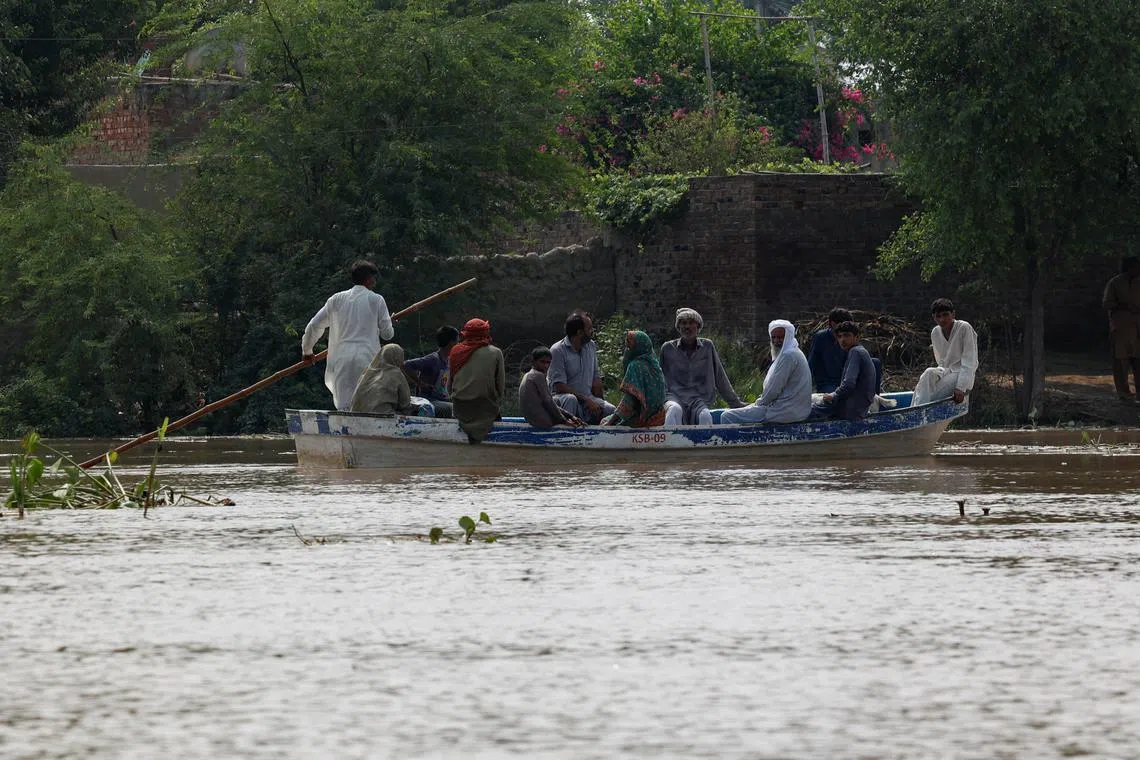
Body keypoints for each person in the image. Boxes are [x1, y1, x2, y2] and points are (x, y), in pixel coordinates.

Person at [301, 260, 395, 410]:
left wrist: (307, 351)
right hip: (367, 360)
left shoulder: (336, 300)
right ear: (368, 279)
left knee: (344, 408)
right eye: (373, 278)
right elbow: (387, 335)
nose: (374, 282)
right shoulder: (377, 300)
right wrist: (389, 321)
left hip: (341, 360)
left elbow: (314, 325)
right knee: (366, 408)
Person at [659, 307, 746, 425]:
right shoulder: (667, 348)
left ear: (698, 327)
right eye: (683, 323)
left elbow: (720, 378)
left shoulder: (707, 346)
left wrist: (736, 404)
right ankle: (670, 443)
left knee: (705, 416)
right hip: (674, 397)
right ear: (678, 327)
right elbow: (659, 379)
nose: (687, 327)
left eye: (691, 323)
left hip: (699, 399)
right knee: (674, 410)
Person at [719, 319, 812, 424]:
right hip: (792, 410)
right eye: (774, 337)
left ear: (788, 337)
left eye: (781, 337)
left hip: (784, 411)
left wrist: (757, 404)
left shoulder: (788, 356)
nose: (777, 341)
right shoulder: (793, 352)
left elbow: (773, 390)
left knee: (727, 416)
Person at [549, 311, 616, 424]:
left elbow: (596, 380)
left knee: (611, 412)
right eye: (589, 328)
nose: (592, 331)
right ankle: (565, 437)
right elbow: (559, 386)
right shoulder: (557, 350)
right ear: (580, 332)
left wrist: (600, 403)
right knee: (571, 400)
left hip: (588, 400)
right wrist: (586, 400)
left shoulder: (591, 346)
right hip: (563, 399)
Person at [911, 298, 979, 406]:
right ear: (934, 318)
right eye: (938, 316)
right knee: (928, 373)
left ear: (953, 314)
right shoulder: (935, 332)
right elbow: (941, 362)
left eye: (945, 315)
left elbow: (969, 361)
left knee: (930, 397)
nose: (942, 319)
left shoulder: (964, 328)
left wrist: (960, 387)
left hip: (961, 373)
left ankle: (917, 413)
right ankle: (913, 411)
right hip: (946, 370)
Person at [448, 318, 506, 443]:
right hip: (486, 406)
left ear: (466, 333)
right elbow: (500, 387)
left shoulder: (455, 351)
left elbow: (450, 385)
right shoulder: (496, 352)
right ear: (486, 333)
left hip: (460, 407)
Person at [811, 321, 877, 420]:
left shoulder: (856, 352)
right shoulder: (859, 351)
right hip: (858, 408)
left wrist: (833, 395)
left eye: (847, 335)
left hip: (851, 409)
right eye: (840, 336)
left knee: (807, 411)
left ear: (857, 337)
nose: (842, 340)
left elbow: (849, 384)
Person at [602, 331, 667, 427]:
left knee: (604, 421)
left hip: (642, 419)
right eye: (626, 342)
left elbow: (629, 401)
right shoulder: (654, 364)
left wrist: (610, 422)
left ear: (639, 346)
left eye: (629, 344)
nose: (627, 347)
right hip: (659, 417)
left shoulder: (635, 366)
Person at [1102, 256, 1140, 402]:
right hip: (1121, 328)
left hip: (1138, 329)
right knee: (1120, 362)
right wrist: (1123, 305)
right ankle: (1124, 393)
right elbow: (1106, 304)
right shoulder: (1115, 283)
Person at [519, 347, 584, 429]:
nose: (546, 366)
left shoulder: (530, 374)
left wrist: (570, 416)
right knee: (562, 400)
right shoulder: (537, 375)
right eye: (542, 362)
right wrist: (564, 420)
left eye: (548, 363)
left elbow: (549, 402)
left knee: (557, 401)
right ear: (534, 362)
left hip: (533, 419)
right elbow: (548, 401)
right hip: (541, 421)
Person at [403, 325, 459, 418]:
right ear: (451, 343)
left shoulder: (449, 360)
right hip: (429, 401)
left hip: (442, 400)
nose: (458, 344)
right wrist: (420, 383)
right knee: (455, 410)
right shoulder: (433, 359)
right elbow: (406, 365)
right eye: (457, 341)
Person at [348, 344, 419, 415]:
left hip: (357, 416)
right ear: (398, 357)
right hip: (384, 417)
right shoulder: (396, 373)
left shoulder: (367, 373)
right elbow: (405, 403)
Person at [807, 307, 853, 393]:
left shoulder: (848, 338)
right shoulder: (821, 338)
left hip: (845, 381)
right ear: (833, 324)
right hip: (827, 383)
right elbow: (811, 363)